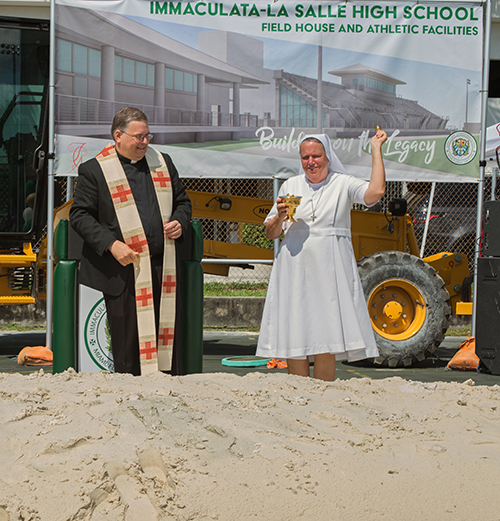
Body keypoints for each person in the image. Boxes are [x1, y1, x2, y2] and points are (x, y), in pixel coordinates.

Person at [256, 129, 388, 381]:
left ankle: (325, 392)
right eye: (305, 157)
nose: (310, 162)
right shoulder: (290, 185)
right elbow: (271, 233)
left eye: (316, 156)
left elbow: (376, 192)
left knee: (326, 329)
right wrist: (280, 216)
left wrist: (376, 150)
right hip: (294, 266)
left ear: (327, 157)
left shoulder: (342, 182)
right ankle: (299, 388)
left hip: (330, 266)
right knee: (296, 325)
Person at [70, 107, 192, 376]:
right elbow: (79, 215)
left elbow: (182, 201)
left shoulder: (163, 162)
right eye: (139, 137)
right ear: (118, 135)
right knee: (127, 346)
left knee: (166, 341)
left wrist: (180, 222)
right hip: (123, 271)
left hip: (163, 268)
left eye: (147, 136)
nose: (145, 142)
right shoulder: (95, 170)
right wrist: (111, 244)